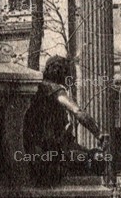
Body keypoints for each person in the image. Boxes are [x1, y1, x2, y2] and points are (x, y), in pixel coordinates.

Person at [21, 55, 110, 186]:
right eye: (68, 72)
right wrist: (99, 133)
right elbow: (77, 111)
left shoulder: (38, 89)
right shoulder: (54, 89)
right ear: (61, 72)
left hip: (36, 151)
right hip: (51, 154)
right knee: (98, 158)